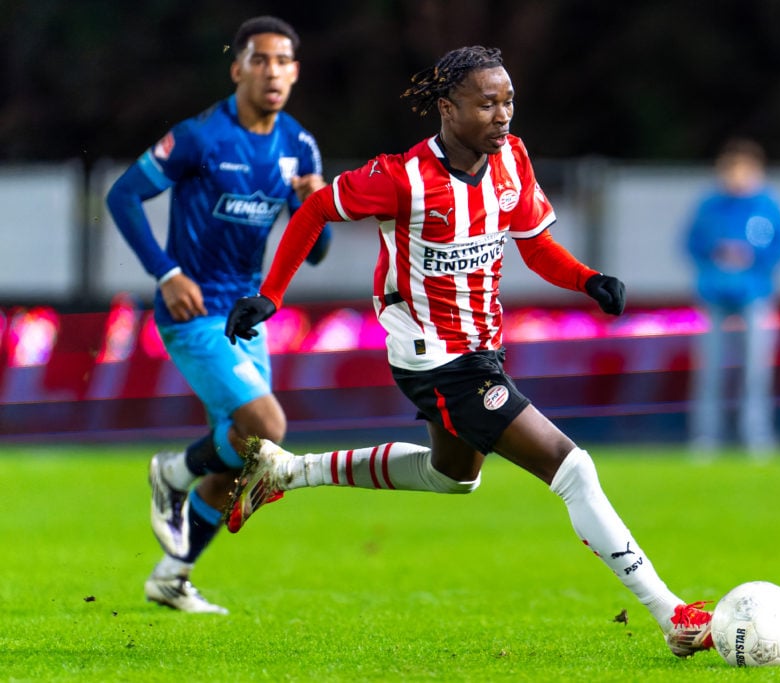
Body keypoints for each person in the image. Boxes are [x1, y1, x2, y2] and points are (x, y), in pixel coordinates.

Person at [223, 45, 714, 659]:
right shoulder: (402, 179)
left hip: (481, 350)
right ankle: (671, 614)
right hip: (435, 358)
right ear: (449, 108)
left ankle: (288, 471)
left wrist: (587, 279)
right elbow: (319, 207)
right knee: (573, 468)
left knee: (453, 477)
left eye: (508, 100)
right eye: (487, 103)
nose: (502, 115)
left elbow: (535, 246)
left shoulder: (511, 159)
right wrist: (269, 296)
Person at [105, 15, 332, 614]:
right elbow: (123, 194)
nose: (273, 71)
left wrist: (315, 208)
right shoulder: (201, 137)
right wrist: (166, 272)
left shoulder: (299, 146)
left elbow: (318, 250)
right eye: (260, 59)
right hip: (194, 308)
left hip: (246, 316)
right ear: (237, 68)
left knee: (245, 451)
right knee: (270, 427)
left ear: (296, 72)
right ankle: (172, 475)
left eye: (284, 61)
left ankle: (173, 576)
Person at [682, 138, 780, 457]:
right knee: (710, 370)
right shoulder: (710, 205)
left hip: (755, 296)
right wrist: (716, 255)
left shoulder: (768, 205)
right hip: (714, 296)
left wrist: (753, 259)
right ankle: (706, 438)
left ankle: (756, 436)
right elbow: (691, 243)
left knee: (756, 371)